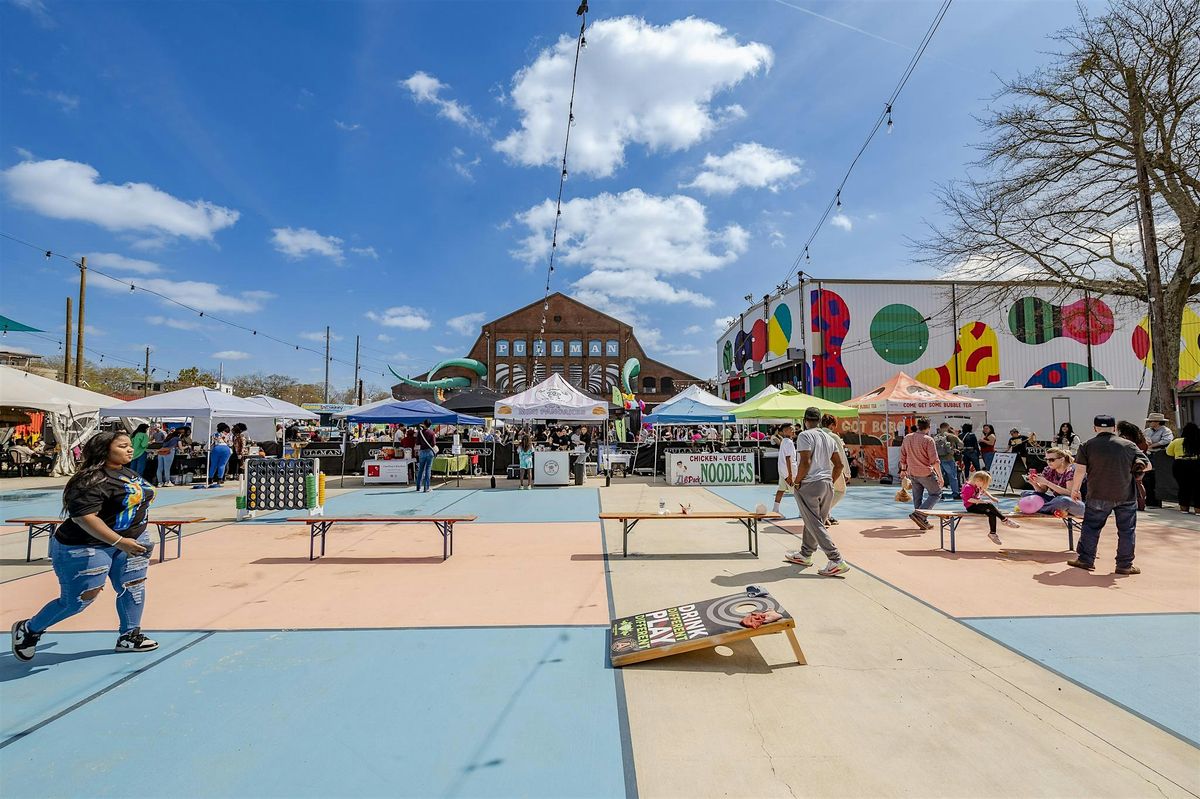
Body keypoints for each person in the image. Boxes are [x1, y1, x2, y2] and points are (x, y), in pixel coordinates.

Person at [10, 431, 159, 662]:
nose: (130, 450)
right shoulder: (89, 480)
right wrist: (120, 541)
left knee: (133, 586)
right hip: (86, 546)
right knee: (79, 600)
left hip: (130, 542)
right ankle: (29, 629)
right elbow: (84, 517)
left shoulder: (126, 472)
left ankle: (130, 635)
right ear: (104, 450)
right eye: (123, 446)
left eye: (130, 446)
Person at [1068, 415, 1149, 574]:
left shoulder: (1087, 446)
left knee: (1091, 527)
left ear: (1095, 428)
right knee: (1127, 530)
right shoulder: (1129, 445)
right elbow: (1148, 465)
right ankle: (1124, 565)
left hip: (1098, 493)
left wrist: (1075, 490)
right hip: (1125, 494)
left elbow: (1080, 471)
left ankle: (1086, 560)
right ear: (1114, 429)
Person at [783, 407, 849, 576]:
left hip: (810, 483)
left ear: (805, 420)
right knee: (813, 520)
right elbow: (839, 465)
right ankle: (806, 553)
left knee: (814, 522)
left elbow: (805, 462)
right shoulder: (829, 438)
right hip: (827, 483)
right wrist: (830, 481)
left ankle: (836, 559)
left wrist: (796, 482)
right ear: (819, 420)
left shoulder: (805, 435)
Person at [900, 418, 943, 530]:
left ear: (918, 426)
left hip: (912, 471)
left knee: (917, 497)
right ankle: (920, 515)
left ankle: (922, 520)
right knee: (936, 493)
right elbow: (934, 461)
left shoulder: (907, 437)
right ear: (928, 428)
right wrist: (940, 476)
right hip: (925, 472)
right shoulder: (928, 440)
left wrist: (903, 470)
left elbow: (903, 455)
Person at [1022, 447, 1085, 518]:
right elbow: (1042, 491)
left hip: (1076, 503)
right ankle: (1050, 509)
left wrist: (1047, 482)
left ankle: (1037, 508)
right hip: (1056, 501)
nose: (1048, 462)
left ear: (1062, 459)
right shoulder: (1048, 470)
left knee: (1063, 501)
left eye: (1052, 460)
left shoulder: (1071, 470)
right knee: (1026, 494)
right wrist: (1034, 483)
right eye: (1046, 459)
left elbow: (1070, 493)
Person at [962, 471, 1019, 544]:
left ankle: (992, 533)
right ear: (977, 480)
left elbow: (984, 491)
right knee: (989, 504)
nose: (983, 485)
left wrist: (992, 498)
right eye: (983, 483)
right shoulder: (968, 487)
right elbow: (968, 499)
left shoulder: (977, 485)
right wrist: (981, 501)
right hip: (971, 506)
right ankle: (1004, 520)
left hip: (978, 505)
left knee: (992, 513)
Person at [820, 413, 849, 525]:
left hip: (818, 469)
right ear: (832, 425)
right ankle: (823, 512)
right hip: (833, 469)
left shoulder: (815, 435)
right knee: (840, 491)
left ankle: (827, 514)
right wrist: (847, 472)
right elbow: (841, 456)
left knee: (825, 493)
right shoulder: (834, 437)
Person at [1117, 420, 1151, 510]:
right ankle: (1141, 504)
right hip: (1140, 464)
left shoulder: (1124, 438)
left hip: (1127, 463)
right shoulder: (1141, 439)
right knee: (1139, 483)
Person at [1167, 422, 1199, 514]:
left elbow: (1168, 452)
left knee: (1183, 487)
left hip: (1180, 464)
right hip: (1196, 463)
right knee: (1197, 487)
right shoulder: (1198, 440)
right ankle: (1198, 510)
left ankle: (1184, 509)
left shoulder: (1177, 441)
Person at [1143, 413, 1173, 508]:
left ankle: (1156, 501)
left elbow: (1167, 440)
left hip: (1159, 455)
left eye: (1151, 421)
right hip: (1148, 454)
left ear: (1157, 422)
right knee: (1147, 477)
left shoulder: (1166, 431)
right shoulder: (1147, 431)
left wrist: (1153, 445)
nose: (1150, 423)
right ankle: (1149, 500)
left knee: (1157, 478)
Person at [772, 423, 798, 517]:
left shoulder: (784, 441)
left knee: (781, 489)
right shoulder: (789, 442)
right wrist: (790, 475)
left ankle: (775, 509)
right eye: (791, 429)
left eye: (793, 428)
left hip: (783, 471)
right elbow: (788, 458)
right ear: (784, 431)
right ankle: (802, 512)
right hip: (789, 472)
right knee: (798, 491)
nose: (793, 430)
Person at [935, 422, 963, 499]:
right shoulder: (951, 436)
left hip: (939, 459)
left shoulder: (936, 437)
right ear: (948, 427)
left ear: (940, 428)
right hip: (949, 459)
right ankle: (955, 493)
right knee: (953, 477)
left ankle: (939, 494)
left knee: (940, 477)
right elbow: (961, 444)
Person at [415, 419, 435, 492]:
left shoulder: (420, 432)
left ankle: (418, 487)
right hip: (429, 452)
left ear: (424, 424)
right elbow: (433, 444)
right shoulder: (432, 433)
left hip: (422, 452)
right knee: (428, 469)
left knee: (420, 470)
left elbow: (417, 442)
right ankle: (426, 487)